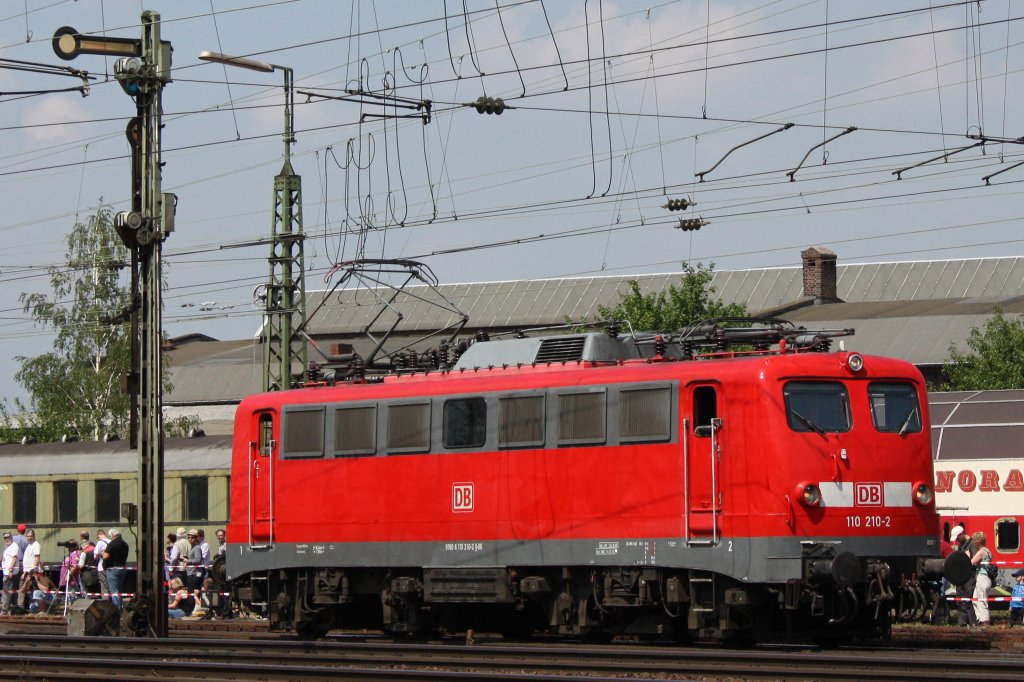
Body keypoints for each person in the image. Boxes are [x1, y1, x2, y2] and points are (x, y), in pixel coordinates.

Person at [969, 530, 993, 626]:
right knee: (975, 599)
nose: (973, 543)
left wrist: (968, 556)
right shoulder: (988, 551)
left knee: (981, 600)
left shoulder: (981, 552)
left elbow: (971, 562)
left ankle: (985, 621)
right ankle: (979, 619)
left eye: (974, 540)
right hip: (985, 578)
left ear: (978, 542)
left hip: (982, 578)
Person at [102, 528, 129, 612]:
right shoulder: (125, 544)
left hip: (112, 569)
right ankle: (120, 610)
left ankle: (117, 612)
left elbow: (106, 556)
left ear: (113, 535)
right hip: (122, 569)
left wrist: (102, 553)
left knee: (114, 592)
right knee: (119, 591)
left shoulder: (112, 544)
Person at [954, 527, 977, 627]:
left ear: (962, 534)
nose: (956, 540)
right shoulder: (961, 544)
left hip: (969, 574)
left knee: (968, 598)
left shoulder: (973, 544)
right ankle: (962, 622)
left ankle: (972, 622)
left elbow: (975, 560)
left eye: (957, 537)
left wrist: (968, 558)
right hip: (961, 574)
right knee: (960, 598)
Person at [17, 529, 41, 612]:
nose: (29, 538)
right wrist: (24, 572)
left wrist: (32, 570)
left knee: (34, 591)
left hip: (32, 572)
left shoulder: (36, 545)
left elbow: (37, 558)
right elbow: (26, 559)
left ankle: (35, 609)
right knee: (23, 589)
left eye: (31, 536)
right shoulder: (28, 546)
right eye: (28, 536)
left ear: (34, 536)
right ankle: (21, 608)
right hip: (26, 571)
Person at [1, 532, 20, 615]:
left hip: (10, 573)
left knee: (7, 591)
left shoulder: (14, 546)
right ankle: (9, 610)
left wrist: (11, 570)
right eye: (5, 538)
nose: (6, 539)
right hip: (5, 572)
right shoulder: (7, 547)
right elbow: (4, 558)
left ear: (11, 537)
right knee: (9, 591)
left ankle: (4, 610)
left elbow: (14, 558)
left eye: (8, 537)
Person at [93, 529, 109, 599]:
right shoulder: (111, 541)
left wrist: (101, 554)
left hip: (102, 567)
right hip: (110, 567)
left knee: (104, 587)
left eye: (98, 537)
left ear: (99, 535)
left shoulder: (100, 542)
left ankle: (105, 602)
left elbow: (95, 556)